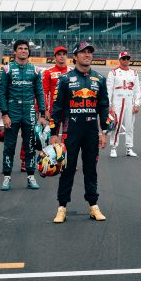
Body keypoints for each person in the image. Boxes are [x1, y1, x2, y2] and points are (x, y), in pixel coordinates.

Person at [49, 41, 110, 223]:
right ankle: (62, 207)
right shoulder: (66, 79)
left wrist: (104, 132)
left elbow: (104, 107)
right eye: (83, 52)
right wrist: (54, 133)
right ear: (75, 56)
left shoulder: (99, 79)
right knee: (67, 170)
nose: (87, 55)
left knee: (91, 170)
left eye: (90, 52)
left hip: (91, 132)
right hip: (71, 132)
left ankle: (93, 206)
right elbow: (57, 108)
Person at [0, 39, 47, 191]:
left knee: (30, 145)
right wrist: (4, 114)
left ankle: (31, 177)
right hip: (12, 110)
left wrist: (42, 114)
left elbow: (39, 92)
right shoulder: (6, 69)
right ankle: (7, 177)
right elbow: (1, 93)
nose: (24, 51)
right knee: (9, 145)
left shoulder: (36, 70)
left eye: (26, 48)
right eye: (20, 48)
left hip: (29, 111)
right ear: (15, 51)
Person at [107, 51, 140, 157]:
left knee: (130, 126)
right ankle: (113, 147)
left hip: (130, 100)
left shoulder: (134, 73)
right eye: (124, 58)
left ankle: (129, 148)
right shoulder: (113, 72)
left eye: (127, 58)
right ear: (119, 59)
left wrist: (137, 104)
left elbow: (137, 90)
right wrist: (109, 104)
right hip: (118, 100)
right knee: (116, 125)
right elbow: (108, 90)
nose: (126, 60)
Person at [42, 46, 70, 132]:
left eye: (64, 54)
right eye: (59, 54)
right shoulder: (48, 72)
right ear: (55, 57)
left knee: (68, 137)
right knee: (53, 137)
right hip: (54, 111)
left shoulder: (72, 71)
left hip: (68, 110)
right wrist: (45, 110)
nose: (62, 56)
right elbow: (44, 92)